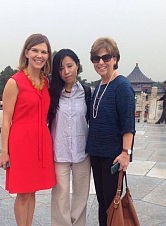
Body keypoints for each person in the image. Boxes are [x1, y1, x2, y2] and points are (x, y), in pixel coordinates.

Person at [0, 33, 56, 226]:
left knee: (32, 191)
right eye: (35, 51)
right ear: (26, 52)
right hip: (21, 142)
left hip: (41, 141)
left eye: (44, 52)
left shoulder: (46, 83)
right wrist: (4, 152)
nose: (39, 55)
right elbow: (6, 120)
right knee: (23, 193)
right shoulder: (14, 82)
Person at [85, 37, 135, 226]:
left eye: (106, 57)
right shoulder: (98, 86)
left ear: (115, 59)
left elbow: (128, 124)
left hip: (113, 156)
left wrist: (125, 153)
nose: (101, 62)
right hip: (97, 153)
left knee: (111, 204)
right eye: (96, 58)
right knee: (103, 202)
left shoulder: (122, 86)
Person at [48, 49, 91, 226]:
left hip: (82, 152)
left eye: (70, 66)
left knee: (81, 195)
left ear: (77, 66)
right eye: (61, 68)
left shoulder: (87, 93)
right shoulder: (52, 94)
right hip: (59, 152)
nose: (66, 71)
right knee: (60, 195)